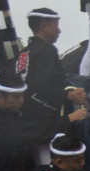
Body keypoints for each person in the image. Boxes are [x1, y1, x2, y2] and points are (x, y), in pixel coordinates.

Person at [18, 9, 86, 146]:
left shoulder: (23, 53)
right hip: (43, 120)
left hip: (26, 117)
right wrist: (69, 95)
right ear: (44, 26)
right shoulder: (46, 50)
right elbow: (42, 83)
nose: (59, 30)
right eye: (56, 25)